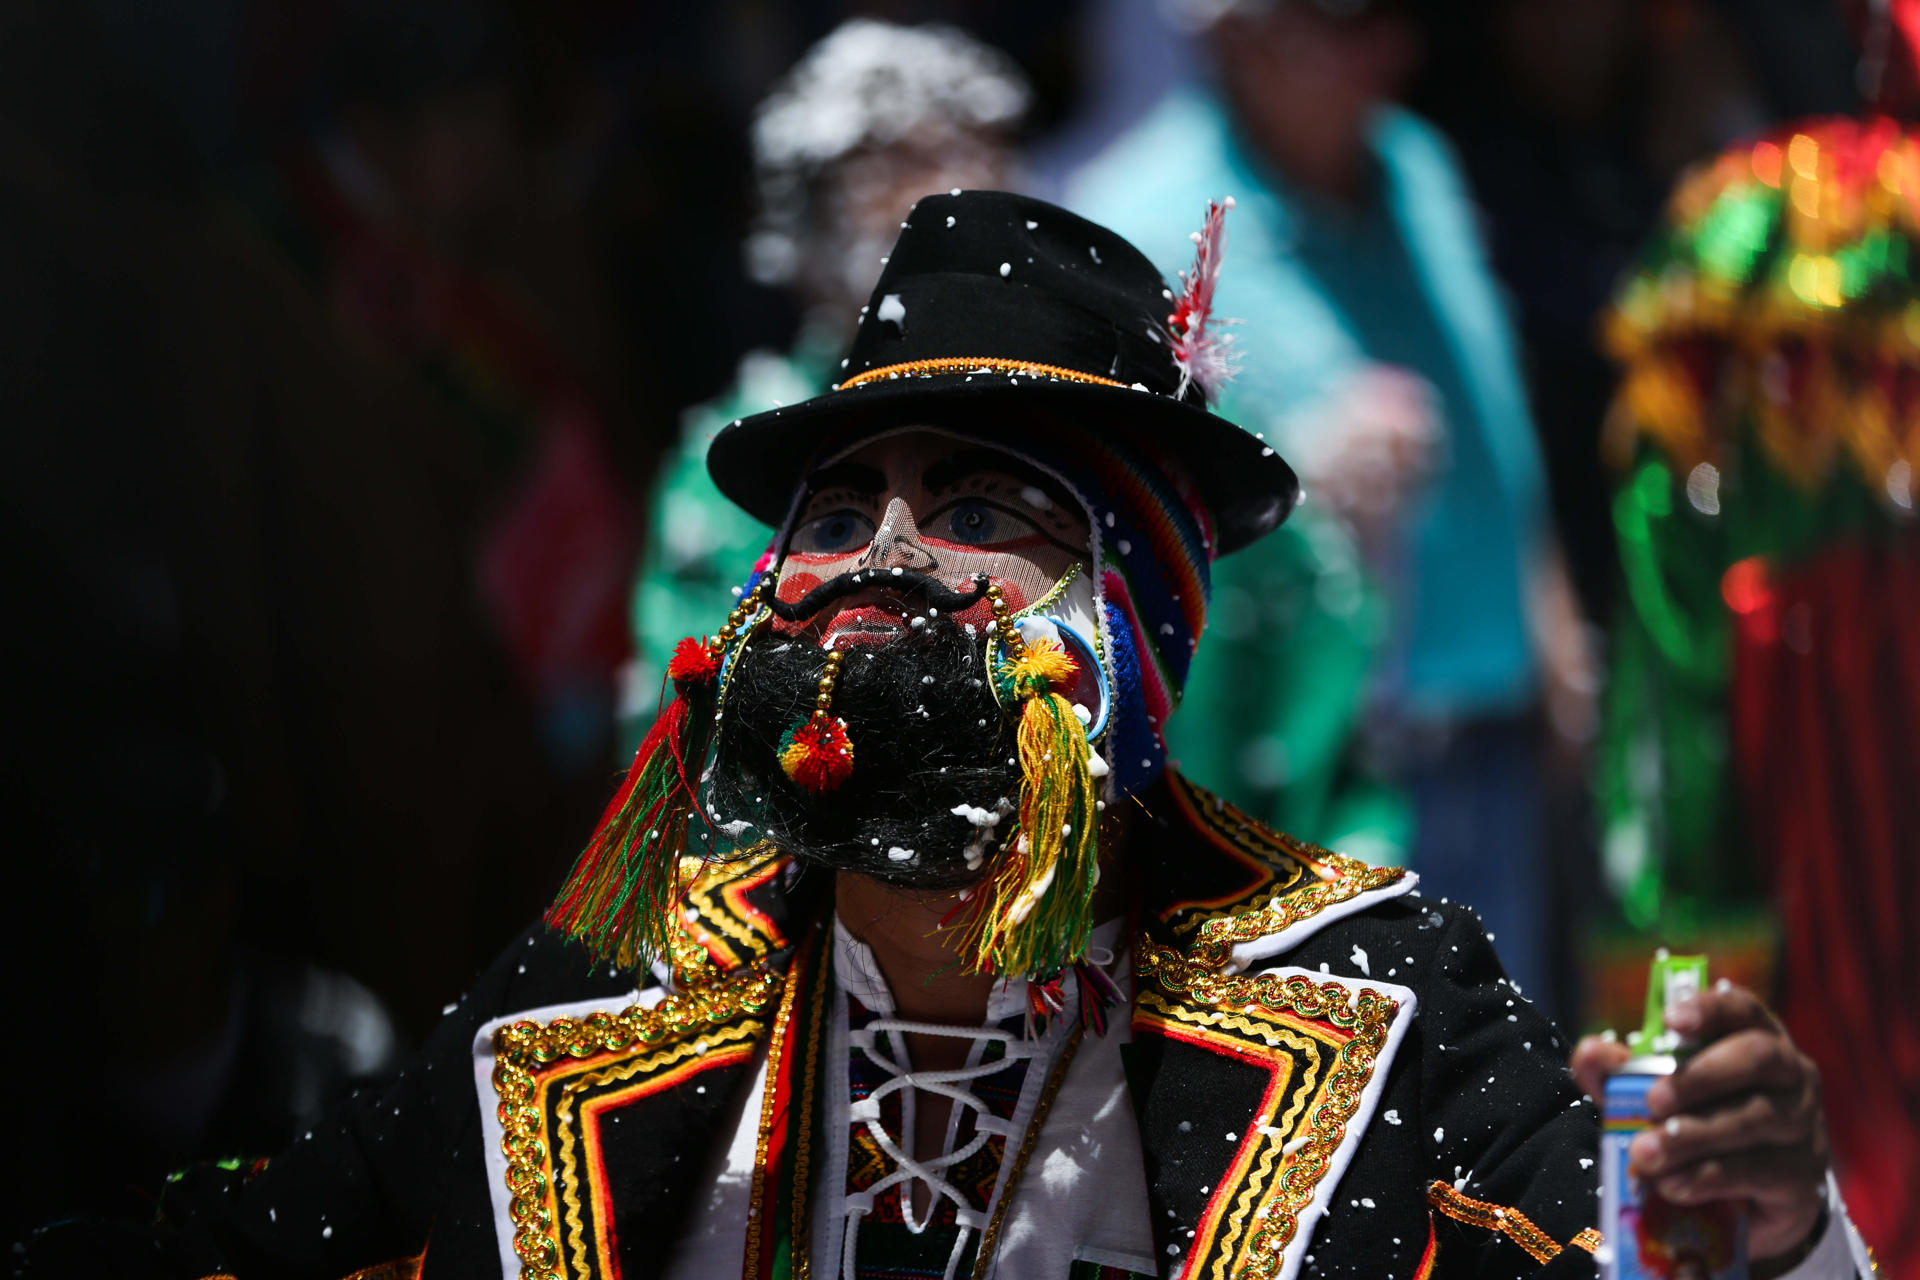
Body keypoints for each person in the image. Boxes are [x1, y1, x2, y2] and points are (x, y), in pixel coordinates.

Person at [23, 193, 1869, 1280]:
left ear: (1129, 631)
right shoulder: (612, 989)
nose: (874, 565)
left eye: (983, 506)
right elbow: (274, 1243)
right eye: (832, 515)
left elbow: (1633, 1246)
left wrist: (1769, 1222)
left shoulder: (1376, 981)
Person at [1068, 0, 1595, 1013]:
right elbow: (1102, 523)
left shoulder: (1415, 161)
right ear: (1232, 33)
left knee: (1508, 1099)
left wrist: (1552, 609)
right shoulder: (1136, 212)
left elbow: (1494, 404)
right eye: (1341, 21)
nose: (1386, 49)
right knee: (1358, 1110)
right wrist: (1294, 476)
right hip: (1311, 760)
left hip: (1490, 720)